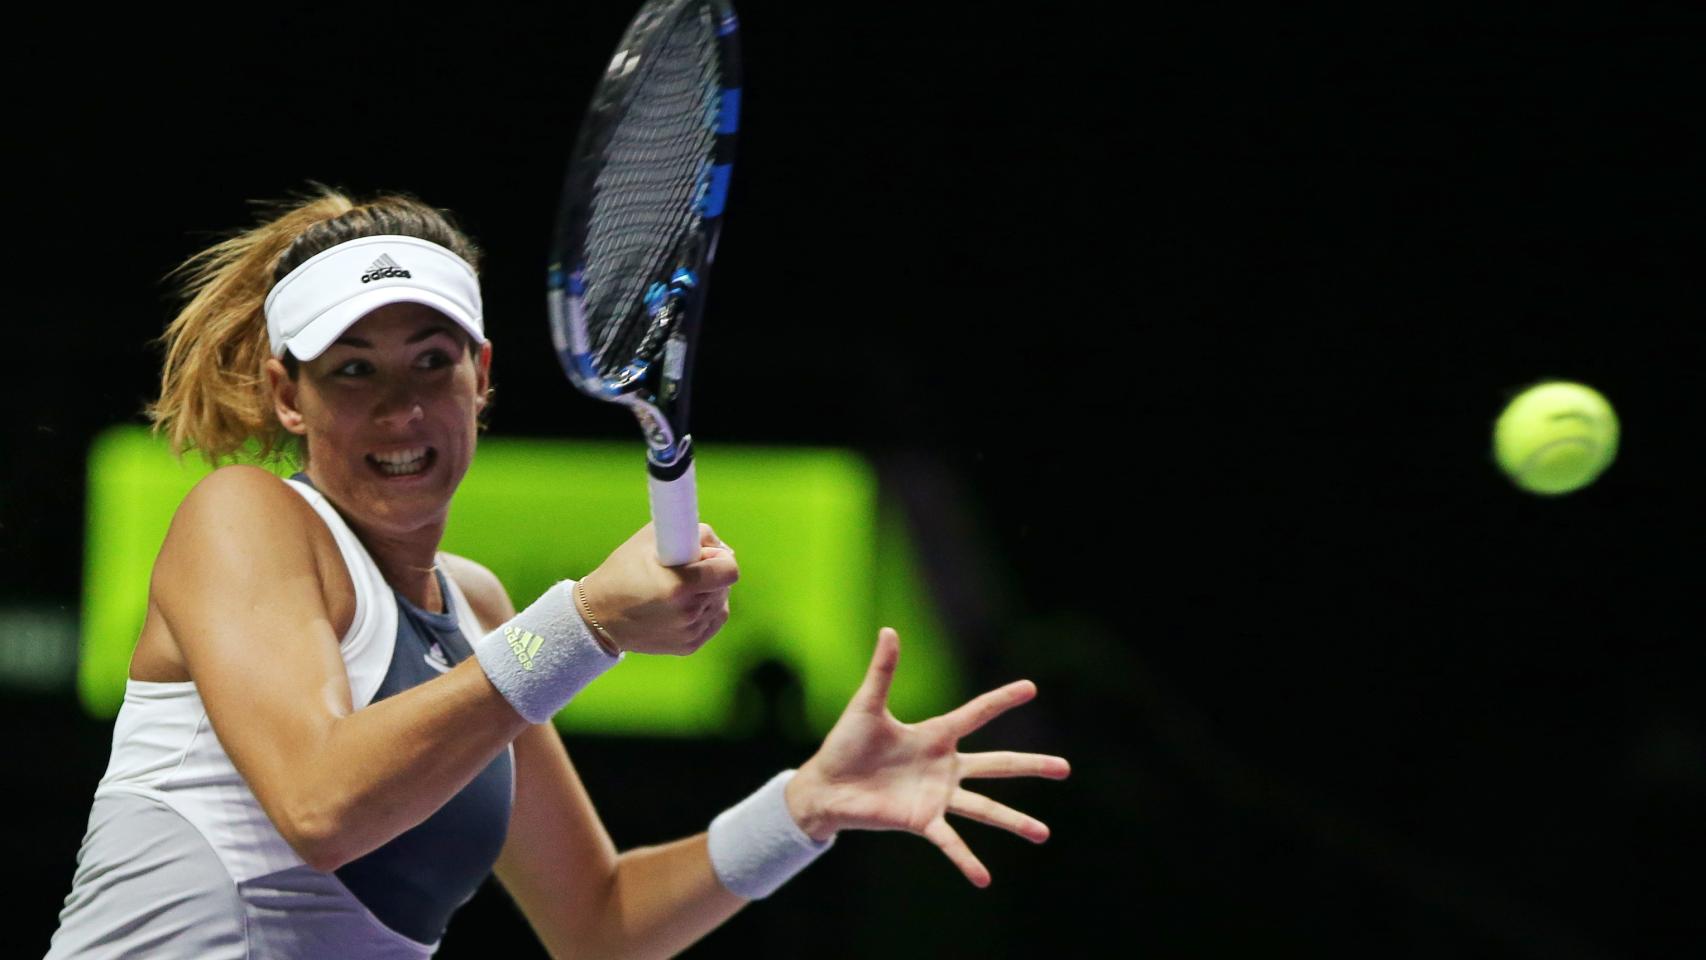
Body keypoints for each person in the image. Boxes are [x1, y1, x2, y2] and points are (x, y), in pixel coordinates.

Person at [45, 186, 1070, 959]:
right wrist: (586, 624)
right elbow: (322, 809)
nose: (400, 408)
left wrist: (805, 806)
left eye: (432, 360)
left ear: (481, 376)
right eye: (352, 369)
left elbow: (599, 924)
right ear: (286, 395)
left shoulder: (479, 609)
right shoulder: (243, 516)